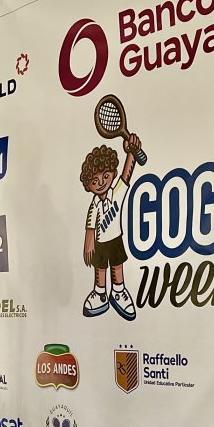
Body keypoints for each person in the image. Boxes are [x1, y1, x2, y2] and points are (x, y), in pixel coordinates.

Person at [78, 136, 141, 319]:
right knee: (100, 269)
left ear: (112, 173)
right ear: (88, 185)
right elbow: (90, 226)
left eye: (105, 176)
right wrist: (88, 243)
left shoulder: (118, 192)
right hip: (100, 243)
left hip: (115, 240)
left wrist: (131, 152)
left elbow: (126, 174)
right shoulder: (94, 204)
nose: (101, 183)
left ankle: (118, 291)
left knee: (117, 266)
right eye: (95, 181)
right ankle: (100, 292)